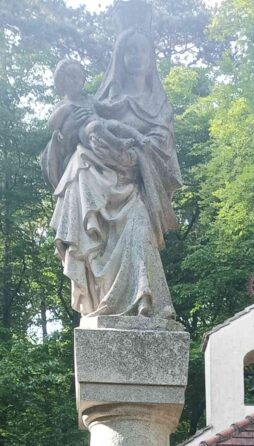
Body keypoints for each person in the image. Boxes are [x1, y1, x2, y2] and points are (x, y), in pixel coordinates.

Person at [45, 27, 181, 319]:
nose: (136, 56)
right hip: (99, 185)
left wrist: (133, 155)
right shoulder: (101, 100)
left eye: (142, 49)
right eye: (130, 50)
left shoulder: (159, 105)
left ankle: (147, 301)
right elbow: (68, 138)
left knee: (140, 232)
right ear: (120, 56)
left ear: (151, 57)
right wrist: (75, 135)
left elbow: (162, 148)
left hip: (135, 186)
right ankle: (106, 303)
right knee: (81, 168)